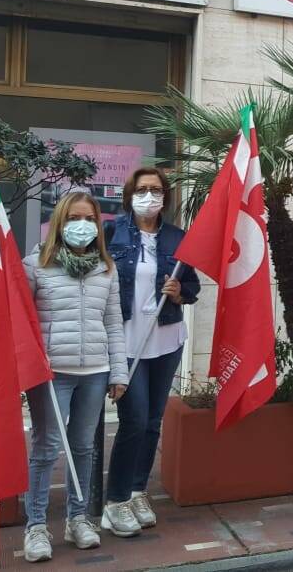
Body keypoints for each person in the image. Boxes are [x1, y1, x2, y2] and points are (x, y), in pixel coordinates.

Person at [21, 191, 128, 563]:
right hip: (52, 373)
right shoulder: (35, 265)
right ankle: (35, 526)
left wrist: (119, 371)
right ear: (59, 222)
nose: (81, 225)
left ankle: (77, 519)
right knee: (47, 448)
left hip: (95, 372)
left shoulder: (106, 268)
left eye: (89, 219)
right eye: (73, 218)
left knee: (82, 447)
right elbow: (21, 321)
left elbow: (113, 323)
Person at [102, 168, 200, 536]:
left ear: (165, 196)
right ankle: (115, 500)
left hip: (166, 337)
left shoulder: (178, 238)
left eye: (156, 190)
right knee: (134, 420)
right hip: (126, 341)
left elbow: (193, 287)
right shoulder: (112, 231)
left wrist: (180, 292)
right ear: (130, 194)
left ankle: (138, 489)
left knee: (153, 420)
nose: (149, 196)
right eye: (142, 190)